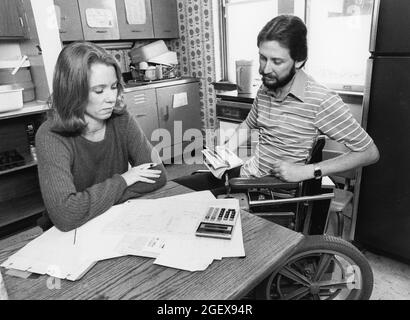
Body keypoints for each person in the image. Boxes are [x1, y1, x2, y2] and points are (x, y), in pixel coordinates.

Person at [175, 15, 379, 233]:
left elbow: (369, 152)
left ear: (299, 60)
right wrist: (226, 150)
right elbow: (248, 124)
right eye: (263, 58)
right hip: (247, 174)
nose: (265, 69)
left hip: (271, 192)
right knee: (176, 190)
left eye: (277, 61)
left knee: (189, 212)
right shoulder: (265, 89)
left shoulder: (321, 100)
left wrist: (308, 171)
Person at [36, 42, 167, 232]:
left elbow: (158, 175)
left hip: (113, 220)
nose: (111, 97)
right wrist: (123, 180)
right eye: (99, 90)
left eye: (114, 87)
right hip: (71, 234)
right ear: (73, 91)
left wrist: (88, 203)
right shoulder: (50, 135)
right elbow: (66, 215)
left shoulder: (122, 119)